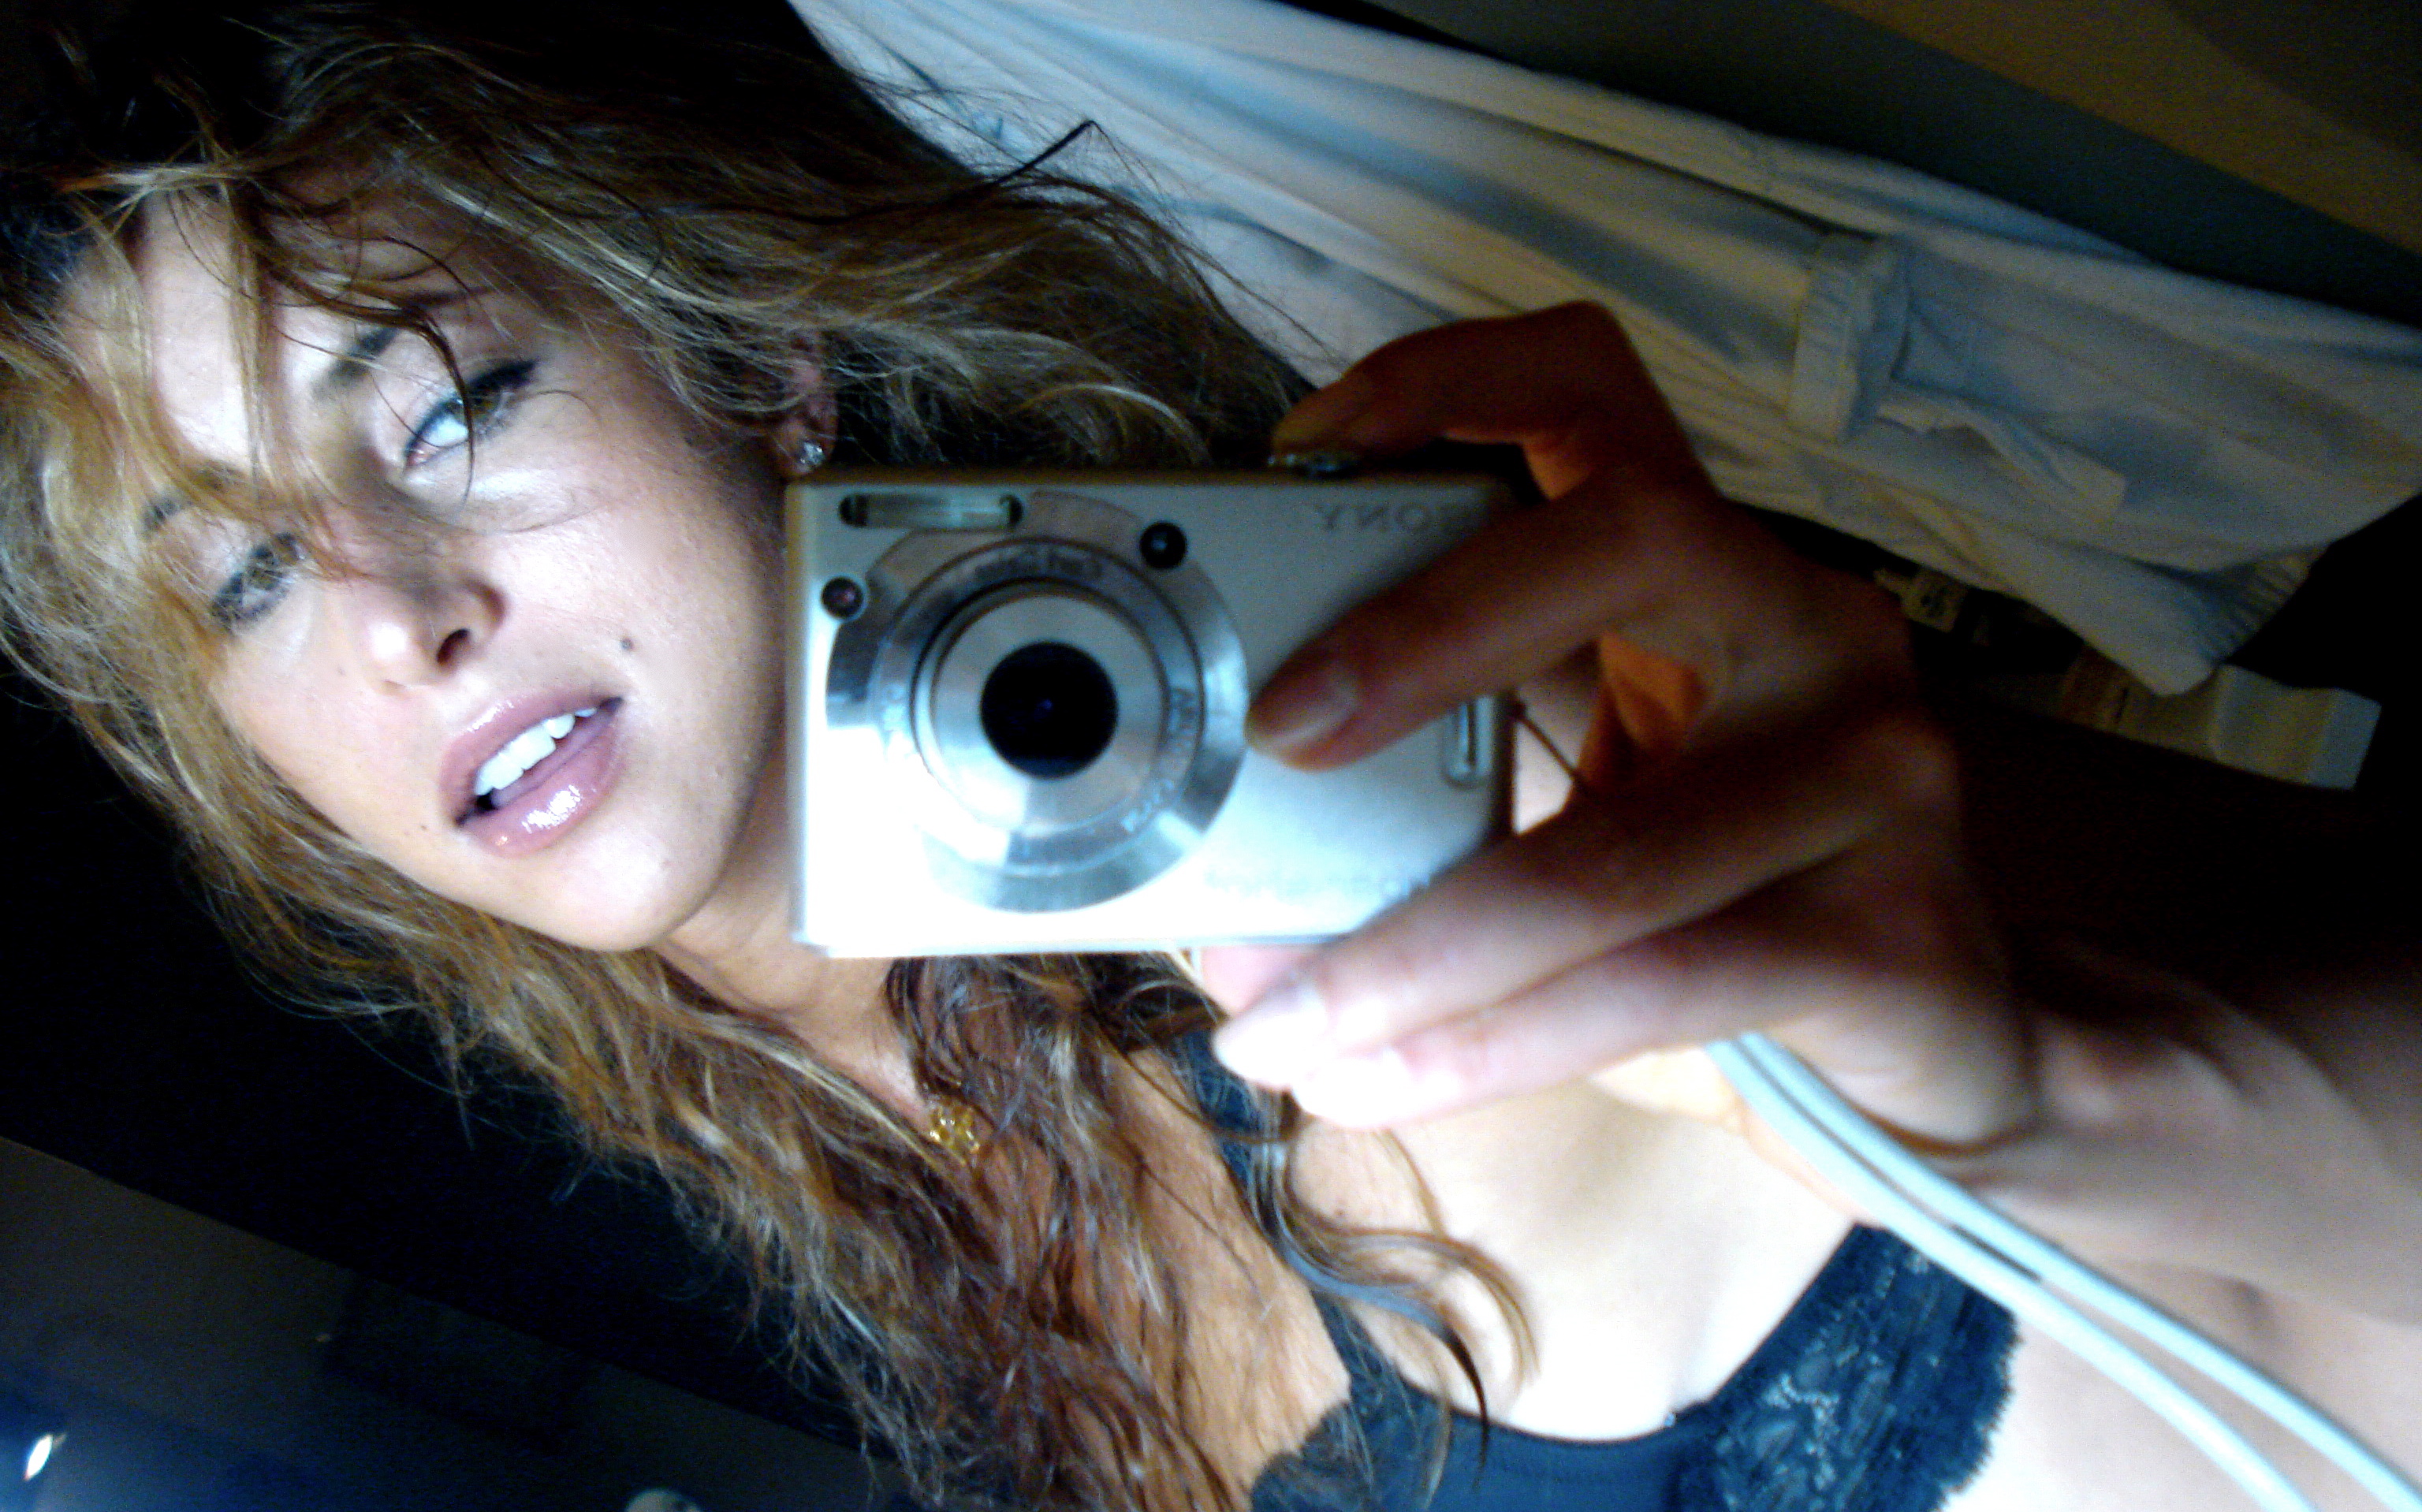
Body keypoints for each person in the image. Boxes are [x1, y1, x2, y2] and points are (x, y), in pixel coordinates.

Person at [0, 5, 2414, 1511]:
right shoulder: (883, 1232)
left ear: (751, 372)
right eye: (245, 577)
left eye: (451, 407)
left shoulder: (1407, 745)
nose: (399, 612)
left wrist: (2081, 1094)